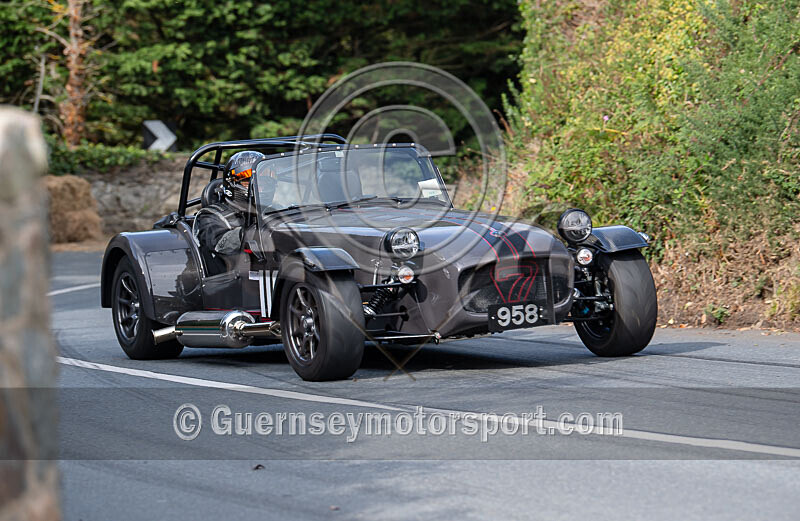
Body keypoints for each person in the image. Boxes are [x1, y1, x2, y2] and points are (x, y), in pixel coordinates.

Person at [193, 150, 265, 275]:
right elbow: (219, 245)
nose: (260, 188)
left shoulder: (272, 211)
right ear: (233, 183)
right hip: (231, 280)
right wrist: (252, 232)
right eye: (248, 182)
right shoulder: (210, 216)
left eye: (264, 181)